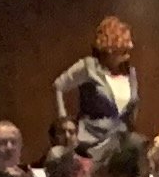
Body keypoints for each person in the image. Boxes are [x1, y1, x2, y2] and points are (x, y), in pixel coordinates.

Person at [55, 14, 140, 148]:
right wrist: (64, 122)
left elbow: (131, 113)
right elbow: (59, 85)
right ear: (111, 45)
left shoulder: (130, 73)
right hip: (90, 145)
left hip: (119, 146)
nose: (131, 45)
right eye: (124, 43)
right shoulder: (89, 67)